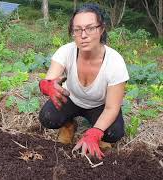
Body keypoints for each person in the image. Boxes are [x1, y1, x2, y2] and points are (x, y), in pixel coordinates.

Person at [38, 3, 129, 160]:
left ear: (101, 29)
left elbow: (112, 107)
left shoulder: (115, 62)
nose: (83, 35)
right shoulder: (66, 51)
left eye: (90, 28)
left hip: (100, 106)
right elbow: (50, 79)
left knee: (114, 132)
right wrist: (47, 85)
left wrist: (95, 133)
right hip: (71, 98)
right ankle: (69, 126)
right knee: (47, 117)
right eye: (77, 29)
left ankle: (98, 135)